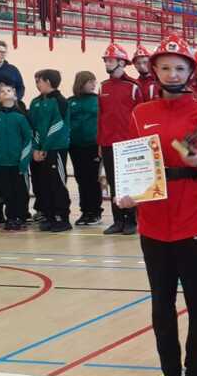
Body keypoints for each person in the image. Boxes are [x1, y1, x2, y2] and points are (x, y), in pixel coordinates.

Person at [116, 34, 197, 376]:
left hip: (193, 217)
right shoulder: (140, 114)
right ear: (155, 70)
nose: (172, 74)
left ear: (191, 71)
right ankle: (169, 374)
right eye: (165, 67)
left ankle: (195, 373)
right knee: (161, 303)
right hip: (153, 220)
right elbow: (132, 160)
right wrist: (127, 192)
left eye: (179, 67)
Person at [99, 44, 142, 235]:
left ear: (122, 63)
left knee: (129, 183)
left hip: (128, 143)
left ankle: (131, 220)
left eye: (110, 60)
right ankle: (117, 221)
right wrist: (100, 142)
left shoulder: (133, 87)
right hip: (108, 142)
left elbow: (141, 115)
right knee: (113, 182)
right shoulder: (103, 87)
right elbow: (101, 116)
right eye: (106, 60)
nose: (107, 63)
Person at [30, 69, 72, 232]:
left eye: (39, 81)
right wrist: (36, 148)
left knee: (57, 183)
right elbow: (33, 126)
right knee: (43, 184)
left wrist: (45, 147)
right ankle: (49, 216)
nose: (37, 84)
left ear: (48, 81)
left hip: (56, 148)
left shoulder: (60, 101)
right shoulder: (36, 102)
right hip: (40, 150)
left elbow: (58, 125)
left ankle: (62, 218)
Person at [0, 84, 34, 231]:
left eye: (8, 91)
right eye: (2, 91)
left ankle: (21, 217)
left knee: (20, 192)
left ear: (15, 96)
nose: (5, 93)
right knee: (7, 192)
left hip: (18, 163)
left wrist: (23, 161)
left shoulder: (20, 118)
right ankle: (10, 218)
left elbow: (28, 140)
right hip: (2, 163)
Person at [68, 70, 103, 226]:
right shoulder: (71, 101)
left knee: (93, 178)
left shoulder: (98, 100)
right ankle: (85, 211)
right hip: (75, 146)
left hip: (93, 145)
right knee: (81, 178)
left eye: (94, 81)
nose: (93, 84)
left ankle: (95, 211)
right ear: (81, 83)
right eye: (90, 82)